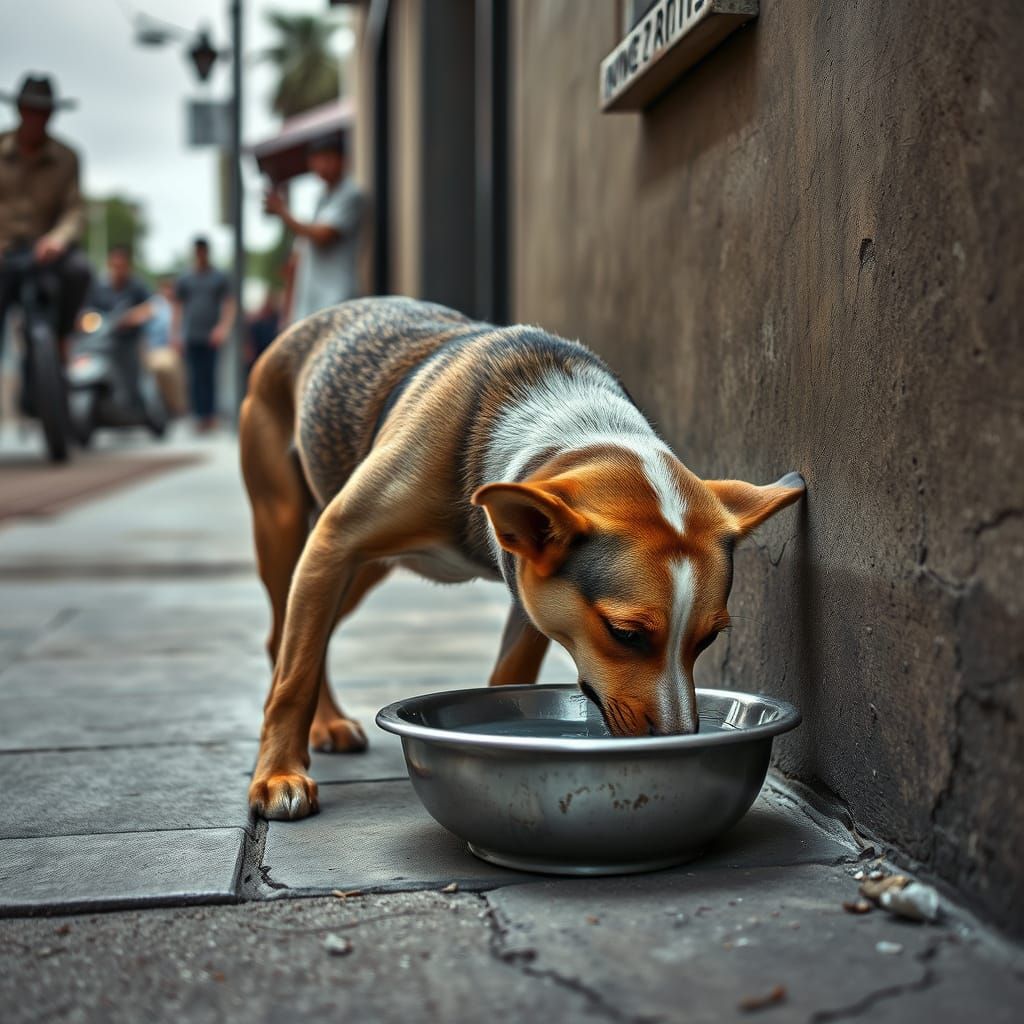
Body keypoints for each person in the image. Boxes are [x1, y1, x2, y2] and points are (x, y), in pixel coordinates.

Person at [0, 74, 91, 361]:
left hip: (44, 254)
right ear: (19, 110)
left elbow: (75, 210)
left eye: (43, 112)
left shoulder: (67, 158)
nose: (36, 119)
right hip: (3, 252)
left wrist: (57, 239)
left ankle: (63, 339)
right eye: (31, 110)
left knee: (80, 271)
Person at [263, 132, 364, 324]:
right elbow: (298, 258)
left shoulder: (350, 195)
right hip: (311, 304)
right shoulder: (320, 199)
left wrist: (283, 212)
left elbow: (323, 235)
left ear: (343, 160)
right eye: (317, 159)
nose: (322, 165)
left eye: (328, 158)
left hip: (336, 300)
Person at [173, 236, 233, 432]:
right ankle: (198, 415)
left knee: (210, 375)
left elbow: (228, 304)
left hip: (211, 335)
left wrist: (222, 328)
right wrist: (176, 333)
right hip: (191, 334)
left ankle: (210, 414)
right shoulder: (185, 278)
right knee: (194, 376)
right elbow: (178, 307)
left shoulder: (218, 277)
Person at [86, 244, 152, 410]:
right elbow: (88, 310)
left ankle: (137, 407)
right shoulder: (100, 287)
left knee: (134, 378)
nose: (118, 270)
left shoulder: (136, 285)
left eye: (121, 266)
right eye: (115, 265)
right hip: (103, 340)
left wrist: (133, 317)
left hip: (129, 342)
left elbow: (149, 308)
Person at [145, 276, 186, 418]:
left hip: (177, 350)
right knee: (163, 367)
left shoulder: (180, 305)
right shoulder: (154, 306)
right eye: (166, 288)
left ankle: (177, 406)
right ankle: (174, 406)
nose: (169, 291)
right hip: (157, 349)